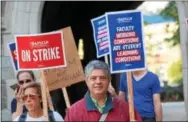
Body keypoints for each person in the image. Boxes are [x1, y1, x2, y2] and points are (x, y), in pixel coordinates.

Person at [65, 60, 141, 121]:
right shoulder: (73, 112)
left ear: (109, 80)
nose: (98, 82)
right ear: (86, 81)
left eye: (102, 78)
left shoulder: (126, 109)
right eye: (93, 78)